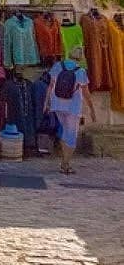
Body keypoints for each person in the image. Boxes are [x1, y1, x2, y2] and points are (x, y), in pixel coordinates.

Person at [44, 45, 95, 174]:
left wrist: (46, 103)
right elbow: (86, 93)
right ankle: (65, 164)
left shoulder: (58, 66)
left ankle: (64, 161)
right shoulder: (80, 71)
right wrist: (92, 109)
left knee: (64, 132)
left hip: (57, 105)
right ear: (81, 58)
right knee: (71, 136)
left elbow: (50, 86)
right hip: (72, 107)